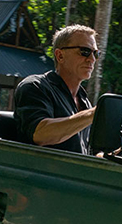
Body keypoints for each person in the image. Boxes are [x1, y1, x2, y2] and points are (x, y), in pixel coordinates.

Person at [13, 24, 99, 154]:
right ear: (60, 56)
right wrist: (92, 114)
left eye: (96, 53)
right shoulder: (35, 86)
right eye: (84, 51)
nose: (92, 59)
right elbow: (40, 134)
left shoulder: (84, 100)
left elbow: (88, 153)